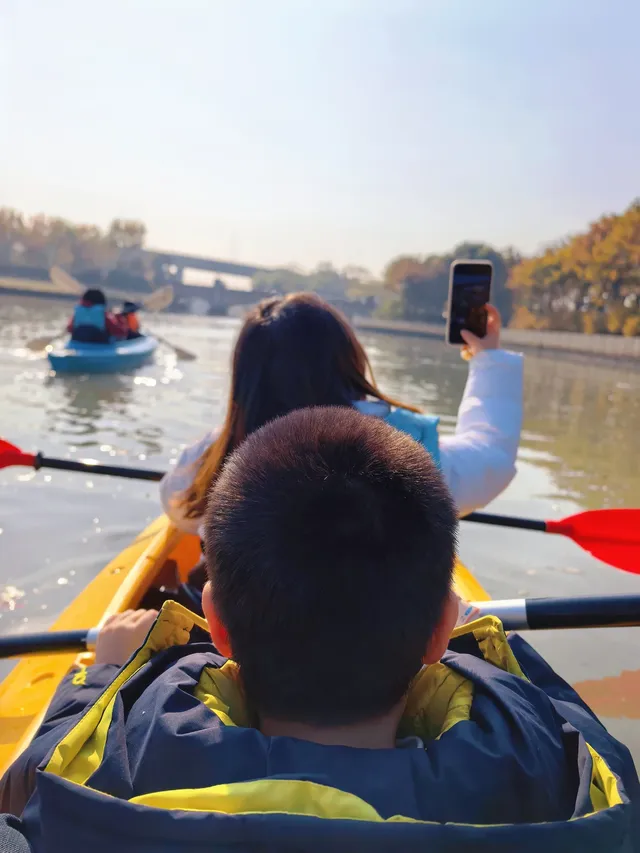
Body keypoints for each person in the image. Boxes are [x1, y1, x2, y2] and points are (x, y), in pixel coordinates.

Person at [1, 408, 637, 851]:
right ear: (439, 631)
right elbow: (561, 713)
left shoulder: (89, 774)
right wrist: (480, 642)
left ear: (215, 624)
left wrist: (108, 673)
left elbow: (27, 781)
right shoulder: (570, 783)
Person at [160, 292, 523, 539]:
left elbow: (176, 504)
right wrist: (487, 357)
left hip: (256, 643)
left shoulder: (213, 459)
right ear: (347, 360)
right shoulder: (406, 451)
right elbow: (493, 455)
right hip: (378, 645)